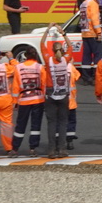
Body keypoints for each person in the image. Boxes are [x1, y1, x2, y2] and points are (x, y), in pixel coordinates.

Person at [40, 22, 76, 159]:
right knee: (63, 122)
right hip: (63, 94)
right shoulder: (66, 60)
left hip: (51, 94)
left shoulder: (48, 60)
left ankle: (51, 150)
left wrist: (48, 29)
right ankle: (61, 149)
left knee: (51, 123)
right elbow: (71, 47)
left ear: (53, 50)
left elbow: (42, 43)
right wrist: (64, 34)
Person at [10, 44, 45, 157]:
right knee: (35, 126)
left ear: (25, 55)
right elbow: (44, 84)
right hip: (38, 99)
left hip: (24, 99)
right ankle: (32, 149)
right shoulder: (40, 67)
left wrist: (15, 102)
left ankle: (15, 149)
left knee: (20, 125)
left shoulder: (18, 67)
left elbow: (15, 86)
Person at [78, 0, 102, 83]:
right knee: (98, 56)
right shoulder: (93, 3)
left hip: (85, 33)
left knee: (86, 56)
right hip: (93, 33)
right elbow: (94, 19)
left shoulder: (83, 3)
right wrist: (99, 32)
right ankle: (97, 76)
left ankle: (86, 76)